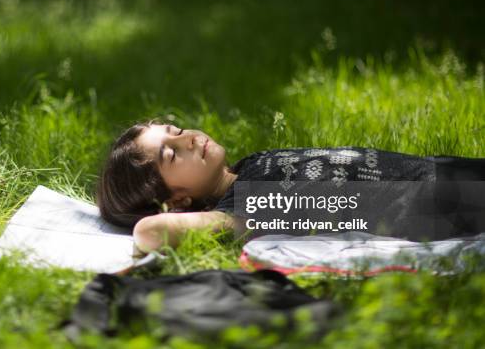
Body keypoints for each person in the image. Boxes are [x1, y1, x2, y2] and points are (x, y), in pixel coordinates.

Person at [96, 119, 485, 254]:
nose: (188, 139)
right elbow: (148, 231)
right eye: (171, 154)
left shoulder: (249, 167)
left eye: (176, 131)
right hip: (437, 203)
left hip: (437, 171)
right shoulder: (240, 211)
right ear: (177, 199)